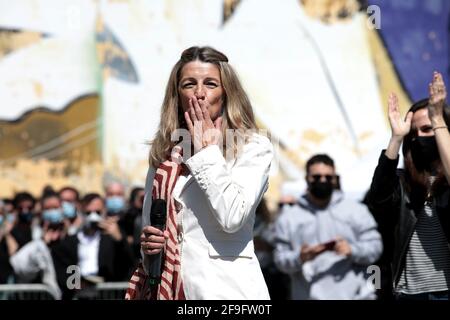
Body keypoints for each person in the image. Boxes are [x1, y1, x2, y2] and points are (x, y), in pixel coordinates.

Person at [126, 46, 273, 300]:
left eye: (211, 84)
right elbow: (152, 225)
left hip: (228, 292)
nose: (200, 93)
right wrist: (151, 246)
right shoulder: (164, 153)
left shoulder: (253, 146)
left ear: (226, 93)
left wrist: (206, 151)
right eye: (189, 84)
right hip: (173, 289)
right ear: (177, 94)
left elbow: (233, 217)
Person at [365, 71, 450, 300]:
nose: (419, 137)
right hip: (409, 293)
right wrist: (396, 138)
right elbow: (377, 199)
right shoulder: (402, 182)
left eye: (427, 129)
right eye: (413, 133)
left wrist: (438, 119)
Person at [273, 154, 383, 300]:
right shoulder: (289, 218)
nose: (323, 180)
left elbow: (375, 247)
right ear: (307, 178)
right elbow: (280, 259)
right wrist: (300, 257)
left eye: (328, 177)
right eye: (317, 177)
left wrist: (352, 250)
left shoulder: (356, 210)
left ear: (335, 179)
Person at [53, 193, 133, 299]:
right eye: (88, 212)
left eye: (98, 212)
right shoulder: (71, 240)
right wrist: (78, 284)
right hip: (80, 294)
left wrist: (119, 239)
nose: (93, 216)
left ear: (104, 211)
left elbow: (128, 263)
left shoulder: (110, 238)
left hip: (107, 294)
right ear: (81, 213)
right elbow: (64, 268)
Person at [9, 191, 66, 300]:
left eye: (55, 208)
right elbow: (22, 267)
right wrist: (42, 243)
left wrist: (74, 289)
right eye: (48, 209)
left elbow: (75, 266)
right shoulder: (31, 234)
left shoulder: (72, 235)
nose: (52, 212)